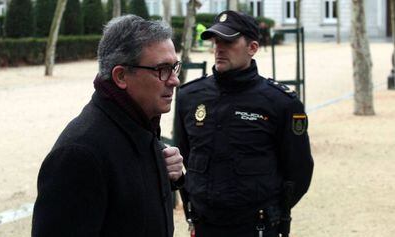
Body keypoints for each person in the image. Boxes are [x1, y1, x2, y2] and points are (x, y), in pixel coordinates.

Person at [32, 15, 184, 237]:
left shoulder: (140, 123)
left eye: (174, 67)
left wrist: (170, 176)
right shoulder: (79, 154)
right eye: (162, 69)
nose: (174, 80)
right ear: (121, 76)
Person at [175, 10, 314, 237]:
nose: (219, 47)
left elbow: (299, 171)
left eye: (228, 41)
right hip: (205, 224)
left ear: (253, 48)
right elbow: (187, 154)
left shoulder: (280, 103)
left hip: (255, 226)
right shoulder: (190, 97)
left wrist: (271, 211)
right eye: (216, 40)